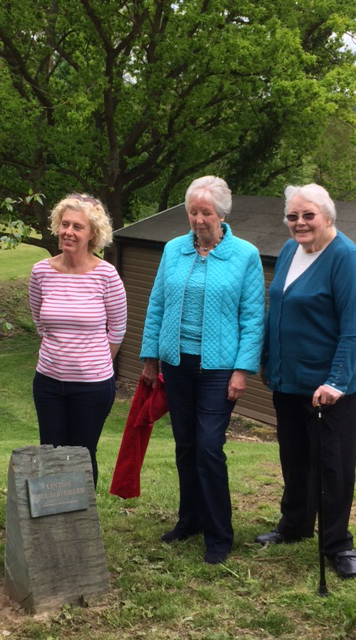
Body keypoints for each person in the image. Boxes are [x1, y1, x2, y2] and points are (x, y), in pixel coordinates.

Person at [140, 176, 265, 564]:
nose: (197, 219)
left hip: (219, 368)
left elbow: (253, 317)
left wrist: (242, 369)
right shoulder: (174, 250)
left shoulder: (245, 255)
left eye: (205, 212)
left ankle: (219, 534)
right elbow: (157, 302)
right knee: (186, 445)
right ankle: (189, 520)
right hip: (176, 363)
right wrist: (149, 357)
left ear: (222, 214)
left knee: (209, 447)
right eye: (192, 211)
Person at [256, 184, 356, 579]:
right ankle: (295, 525)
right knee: (293, 457)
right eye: (293, 216)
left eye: (307, 215)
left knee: (332, 464)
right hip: (288, 380)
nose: (299, 223)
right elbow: (275, 309)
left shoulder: (345, 257)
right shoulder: (288, 251)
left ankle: (338, 544)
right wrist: (267, 360)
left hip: (329, 388)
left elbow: (352, 328)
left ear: (327, 216)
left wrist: (337, 381)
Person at [29, 193, 127, 487]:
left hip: (92, 387)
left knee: (82, 455)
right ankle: (53, 523)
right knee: (51, 454)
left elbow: (118, 330)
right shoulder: (41, 271)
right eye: (65, 224)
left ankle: (81, 526)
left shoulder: (107, 276)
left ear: (92, 234)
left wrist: (91, 362)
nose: (68, 232)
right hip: (48, 383)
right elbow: (39, 321)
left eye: (78, 227)